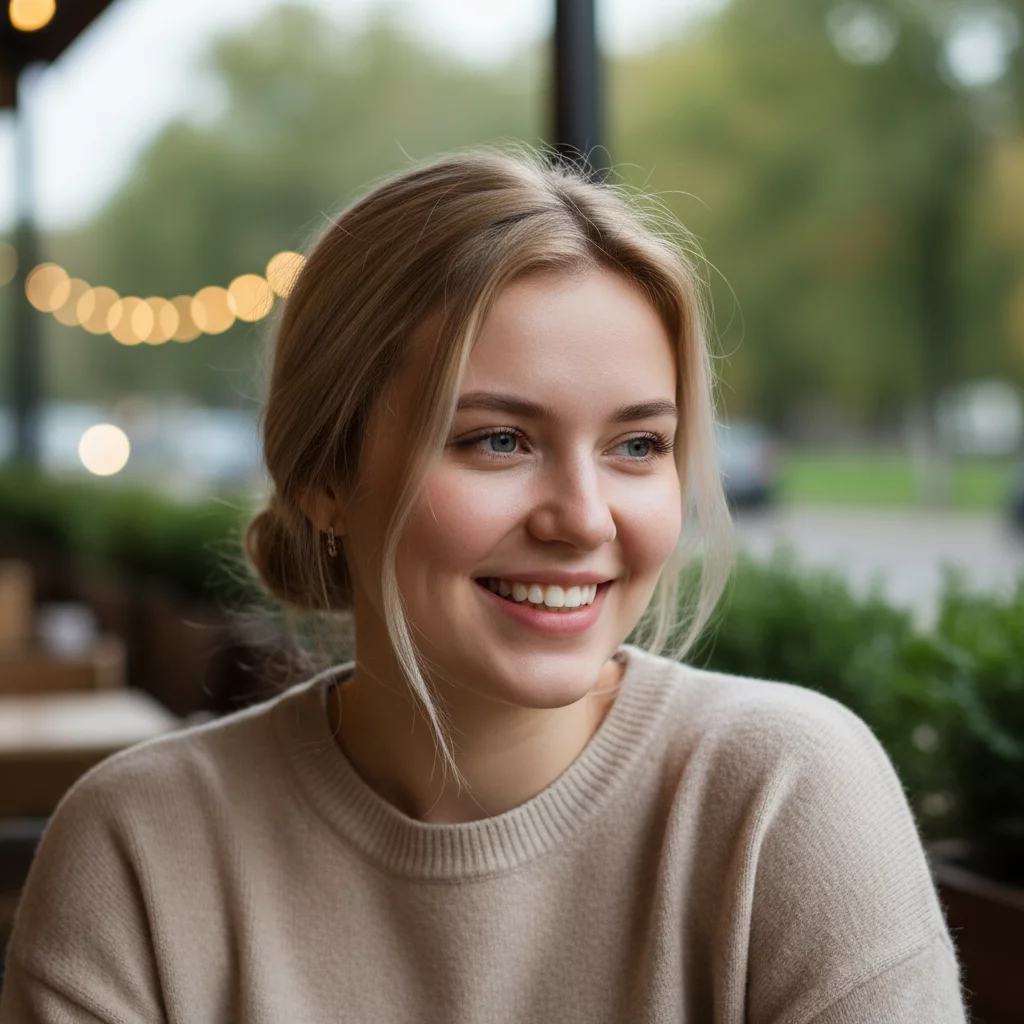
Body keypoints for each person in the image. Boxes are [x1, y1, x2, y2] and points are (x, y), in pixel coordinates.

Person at [0, 147, 966, 1023]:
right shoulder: (138, 851)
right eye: (498, 439)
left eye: (638, 445)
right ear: (324, 479)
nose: (585, 518)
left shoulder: (785, 799)